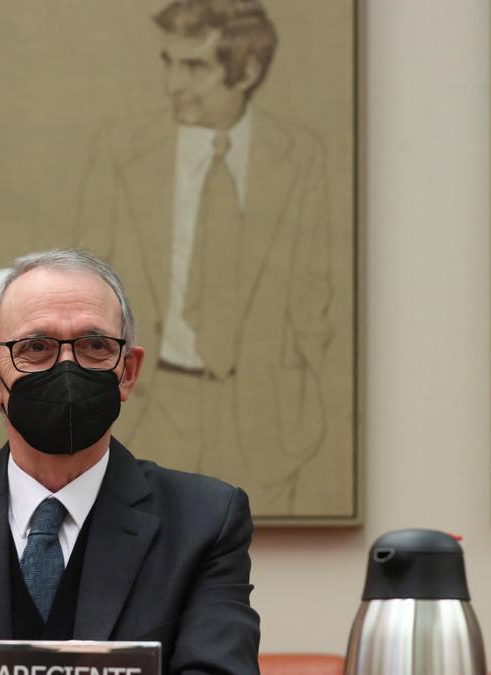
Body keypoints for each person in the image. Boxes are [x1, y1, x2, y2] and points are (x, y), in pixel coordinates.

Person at [0, 250, 261, 675]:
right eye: (36, 348)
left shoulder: (206, 520)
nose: (67, 367)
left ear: (128, 372)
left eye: (95, 345)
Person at [76, 0, 333, 514]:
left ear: (248, 71)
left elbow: (315, 293)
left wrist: (303, 390)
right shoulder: (122, 149)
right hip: (148, 403)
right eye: (169, 62)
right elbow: (83, 287)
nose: (174, 82)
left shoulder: (299, 156)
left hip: (265, 416)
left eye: (195, 67)